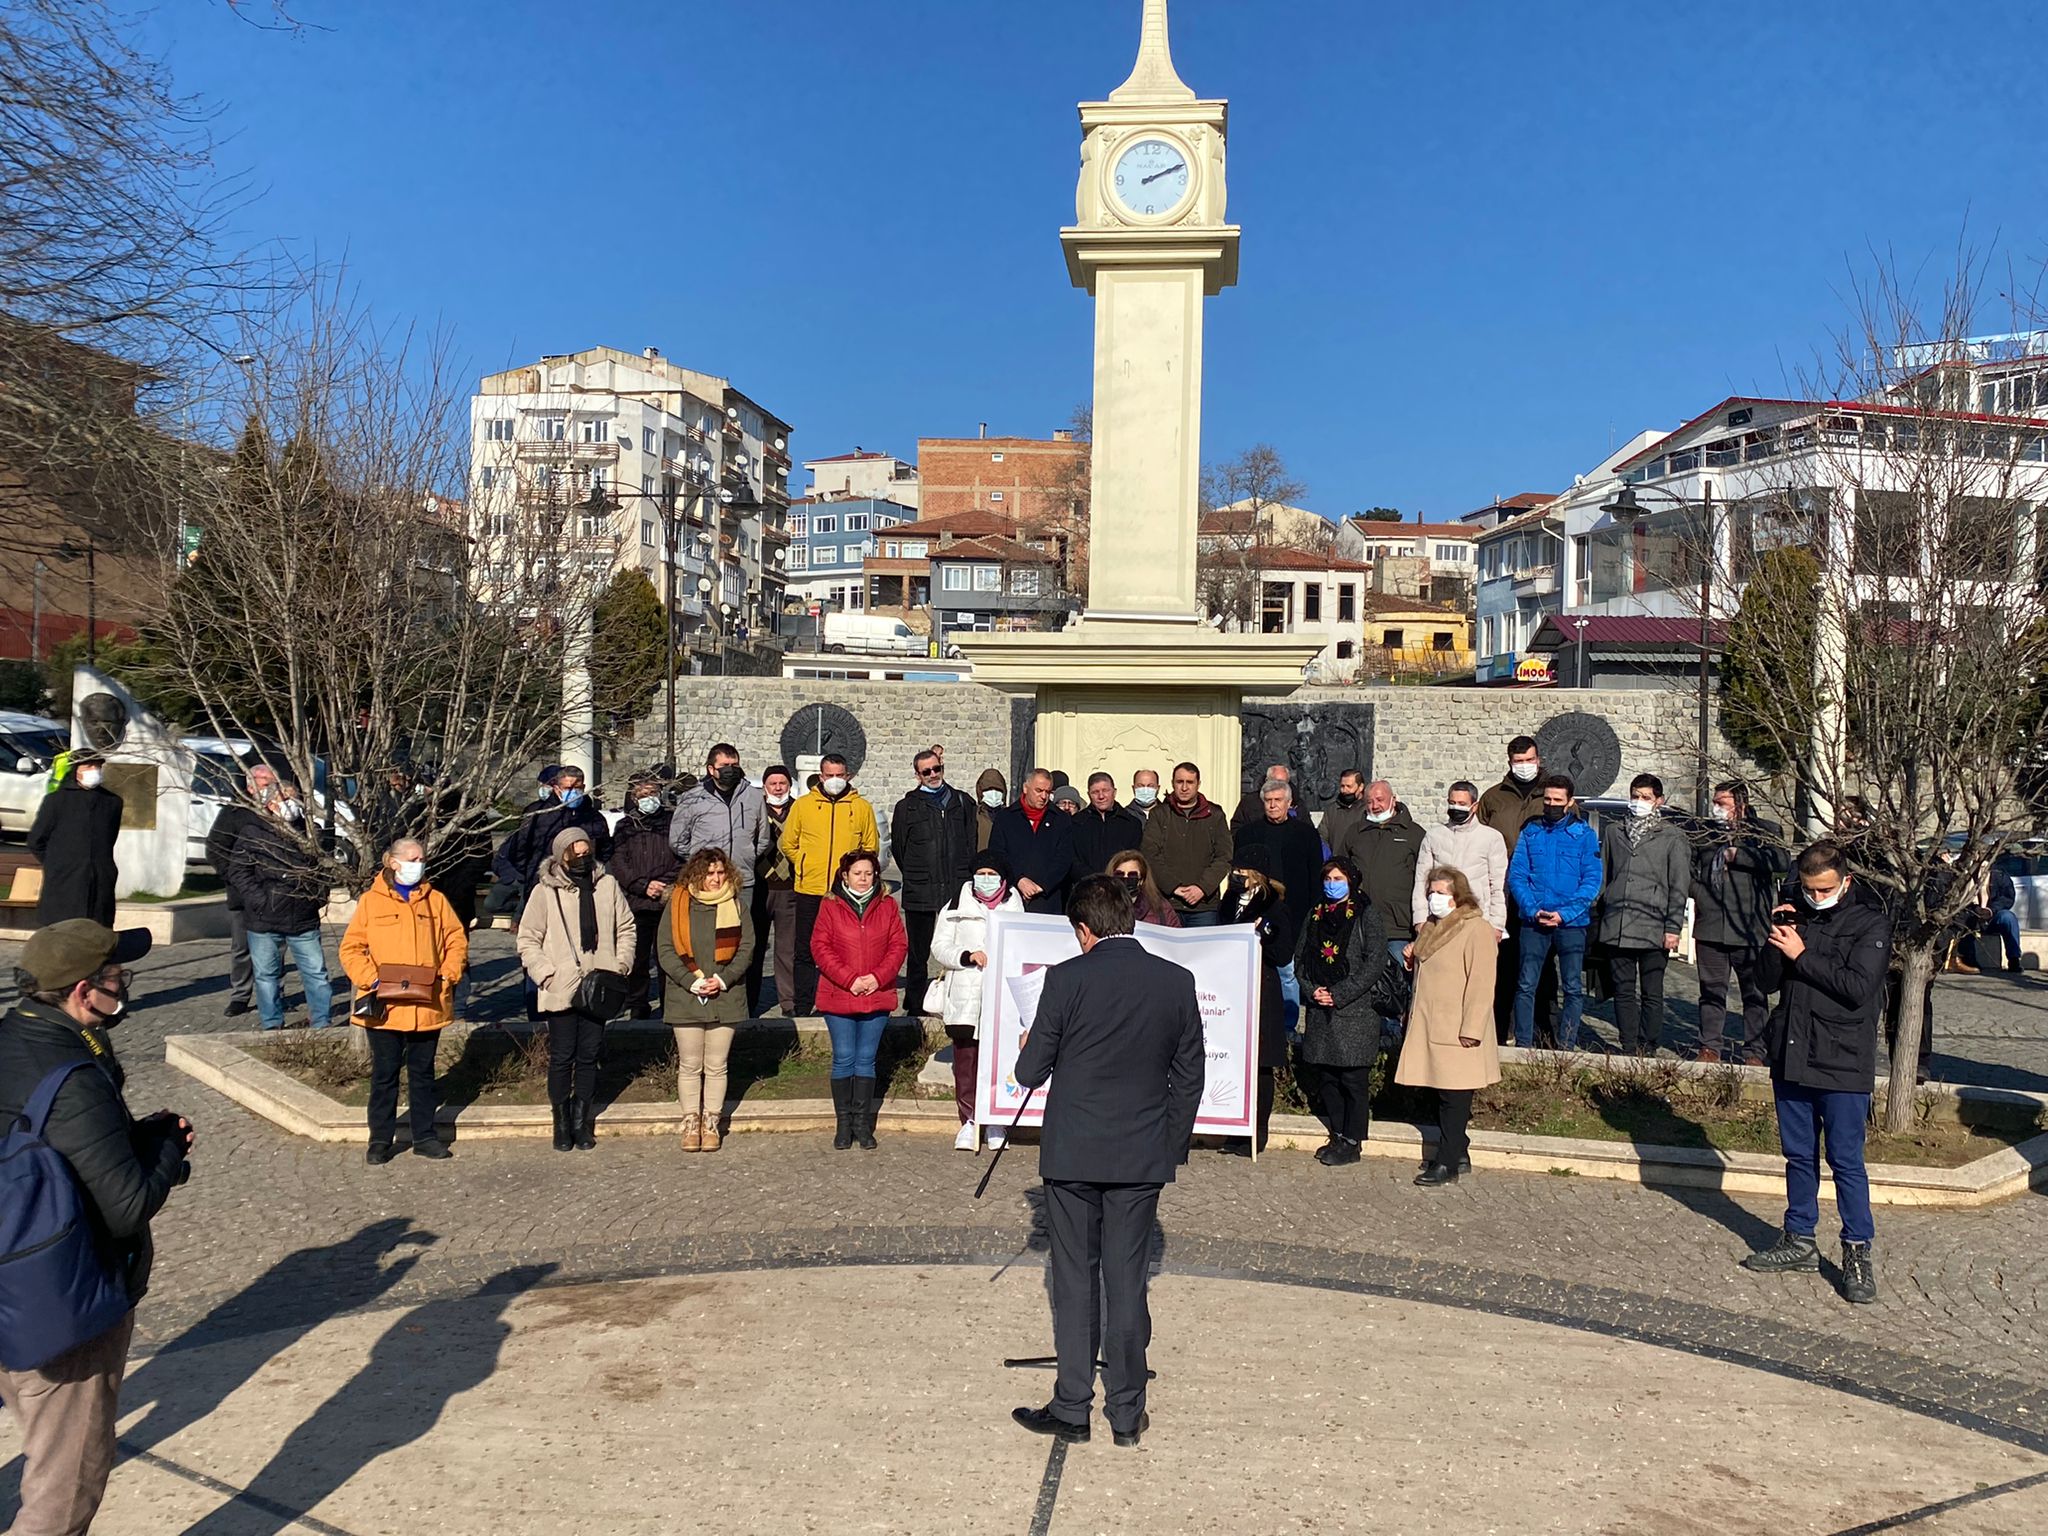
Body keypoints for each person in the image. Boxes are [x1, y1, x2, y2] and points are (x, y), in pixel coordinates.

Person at [0, 920, 192, 1536]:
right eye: (119, 976)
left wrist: (128, 1139)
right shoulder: (75, 1077)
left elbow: (41, 1145)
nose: (124, 985)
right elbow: (126, 1207)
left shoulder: (13, 1036)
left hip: (7, 1270)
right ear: (86, 991)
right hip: (64, 1300)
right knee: (65, 1484)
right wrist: (165, 1147)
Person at [1011, 875, 1204, 1449]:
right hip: (1141, 1153)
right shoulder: (1175, 980)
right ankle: (1126, 1414)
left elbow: (1029, 1072)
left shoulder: (1066, 978)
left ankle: (1073, 1406)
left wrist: (1028, 1047)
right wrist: (1167, 1145)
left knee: (1074, 1280)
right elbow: (1190, 1074)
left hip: (1072, 1150)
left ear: (1083, 929)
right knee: (1127, 1281)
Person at [1740, 842, 1890, 1305]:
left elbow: (1857, 988)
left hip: (1843, 1057)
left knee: (1846, 1161)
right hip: (1792, 1053)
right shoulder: (1795, 913)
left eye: (1824, 889)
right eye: (1808, 889)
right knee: (1797, 1155)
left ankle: (1857, 1251)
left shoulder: (1870, 922)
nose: (1815, 896)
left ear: (1844, 881)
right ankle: (1798, 1237)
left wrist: (1802, 954)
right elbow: (1765, 982)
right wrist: (1778, 932)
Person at [338, 837, 467, 1164]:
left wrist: (448, 974)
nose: (419, 863)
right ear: (393, 863)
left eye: (422, 858)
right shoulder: (371, 902)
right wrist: (373, 979)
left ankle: (425, 1136)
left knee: (423, 1073)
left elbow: (456, 940)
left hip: (426, 1004)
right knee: (384, 1074)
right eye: (413, 858)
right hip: (384, 1006)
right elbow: (351, 949)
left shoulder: (435, 900)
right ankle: (380, 1140)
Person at [517, 826, 635, 1152]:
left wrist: (620, 964)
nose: (582, 859)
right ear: (562, 856)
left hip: (600, 985)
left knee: (588, 1056)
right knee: (562, 1057)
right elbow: (528, 938)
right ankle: (561, 1121)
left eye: (586, 853)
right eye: (575, 854)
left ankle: (582, 1122)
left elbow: (626, 927)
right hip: (561, 986)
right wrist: (547, 975)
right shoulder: (545, 890)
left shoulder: (607, 885)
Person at [1398, 866, 1501, 1187]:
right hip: (1432, 1025)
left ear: (1458, 896)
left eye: (1442, 892)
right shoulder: (1431, 928)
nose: (1434, 898)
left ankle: (1447, 1163)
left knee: (1454, 1099)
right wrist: (1412, 958)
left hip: (1459, 1028)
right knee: (1440, 1095)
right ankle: (1458, 1151)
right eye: (1431, 892)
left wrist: (1472, 1028)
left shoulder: (1476, 929)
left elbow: (1482, 983)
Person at [658, 848, 756, 1154]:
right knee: (689, 1064)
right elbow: (665, 949)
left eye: (720, 872)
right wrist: (692, 981)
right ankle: (690, 1122)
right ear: (696, 875)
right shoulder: (677, 904)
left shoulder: (737, 906)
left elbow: (747, 947)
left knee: (716, 1064)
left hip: (725, 994)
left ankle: (711, 1120)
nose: (715, 879)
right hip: (685, 994)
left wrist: (723, 979)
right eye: (709, 873)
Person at [1296, 856, 1393, 1166]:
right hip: (1321, 1011)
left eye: (1338, 879)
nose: (1332, 885)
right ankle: (1337, 1134)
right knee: (1328, 1078)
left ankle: (1352, 1141)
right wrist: (1313, 991)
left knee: (1353, 1080)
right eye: (1328, 879)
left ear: (1351, 881)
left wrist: (1339, 994)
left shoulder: (1368, 915)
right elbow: (1300, 959)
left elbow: (1373, 964)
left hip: (1355, 1012)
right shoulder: (1315, 914)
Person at [811, 848, 908, 1152]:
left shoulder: (888, 905)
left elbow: (898, 945)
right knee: (843, 1058)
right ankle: (844, 1124)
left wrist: (876, 978)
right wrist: (849, 979)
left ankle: (862, 1125)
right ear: (845, 876)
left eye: (869, 873)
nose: (864, 879)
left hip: (876, 992)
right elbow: (820, 946)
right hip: (840, 992)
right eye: (857, 873)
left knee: (866, 1059)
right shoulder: (829, 906)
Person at [931, 849, 1024, 1151]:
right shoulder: (955, 906)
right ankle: (969, 1120)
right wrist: (967, 956)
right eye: (980, 874)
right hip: (966, 996)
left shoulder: (1015, 906)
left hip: (1002, 996)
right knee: (967, 1060)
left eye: (991, 875)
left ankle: (995, 1119)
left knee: (998, 1060)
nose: (985, 880)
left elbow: (1024, 944)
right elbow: (939, 946)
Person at [1595, 773, 1692, 1057]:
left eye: (1646, 798)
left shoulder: (1673, 836)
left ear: (1658, 801)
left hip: (1653, 923)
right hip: (1619, 923)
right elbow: (1605, 873)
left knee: (1652, 991)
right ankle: (1628, 1043)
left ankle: (1648, 1044)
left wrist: (1673, 927)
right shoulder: (1615, 831)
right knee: (1623, 990)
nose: (1639, 802)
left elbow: (1679, 885)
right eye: (1635, 796)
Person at [225, 780, 333, 1032]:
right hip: (264, 919)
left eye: (295, 799)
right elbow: (238, 871)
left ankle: (322, 1022)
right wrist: (260, 900)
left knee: (316, 974)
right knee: (266, 976)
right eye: (286, 800)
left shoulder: (310, 833)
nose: (292, 805)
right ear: (271, 803)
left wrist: (316, 898)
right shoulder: (253, 833)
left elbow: (324, 870)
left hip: (303, 917)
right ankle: (272, 1024)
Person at [1503, 774, 1601, 1051]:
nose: (1551, 804)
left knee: (1572, 988)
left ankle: (1566, 1044)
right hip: (1534, 922)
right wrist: (1533, 910)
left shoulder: (1585, 836)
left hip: (1571, 924)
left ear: (1570, 802)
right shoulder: (1530, 833)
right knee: (1526, 985)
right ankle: (1524, 1043)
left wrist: (1565, 914)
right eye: (1547, 800)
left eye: (1558, 800)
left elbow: (1592, 881)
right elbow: (1518, 876)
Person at [1690, 780, 1786, 1062]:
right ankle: (1709, 1046)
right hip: (1712, 925)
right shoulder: (1705, 832)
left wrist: (1739, 855)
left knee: (1754, 994)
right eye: (1715, 802)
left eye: (1723, 803)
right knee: (1711, 991)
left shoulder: (1765, 831)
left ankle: (1755, 1049)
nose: (1716, 807)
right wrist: (1701, 895)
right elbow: (1690, 870)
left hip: (1749, 927)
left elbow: (1780, 861)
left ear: (1740, 805)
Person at [782, 753, 880, 1015]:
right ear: (821, 776)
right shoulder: (803, 806)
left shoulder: (861, 808)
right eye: (830, 775)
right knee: (804, 951)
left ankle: (839, 1003)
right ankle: (802, 1005)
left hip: (843, 895)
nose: (835, 780)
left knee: (842, 952)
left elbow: (870, 847)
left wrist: (854, 877)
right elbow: (788, 843)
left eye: (840, 775)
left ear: (847, 775)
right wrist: (803, 862)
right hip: (809, 890)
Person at [1216, 846, 1296, 1153]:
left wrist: (1265, 931)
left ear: (1256, 876)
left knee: (1260, 1063)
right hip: (1234, 986)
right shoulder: (1229, 902)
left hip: (1261, 988)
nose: (1236, 877)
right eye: (1234, 871)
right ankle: (1235, 1127)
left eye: (1242, 872)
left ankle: (1256, 1131)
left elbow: (1282, 953)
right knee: (1236, 1061)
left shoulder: (1275, 906)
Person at [891, 747, 976, 1014]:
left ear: (942, 767)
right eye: (925, 771)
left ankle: (957, 1005)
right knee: (918, 955)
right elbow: (899, 849)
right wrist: (919, 873)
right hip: (921, 890)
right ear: (917, 775)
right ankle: (915, 1006)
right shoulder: (906, 807)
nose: (932, 775)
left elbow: (971, 843)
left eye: (936, 769)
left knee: (957, 950)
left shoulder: (962, 802)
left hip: (955, 889)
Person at [1233, 776, 1321, 1034]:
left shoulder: (1305, 834)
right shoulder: (1249, 833)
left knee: (1287, 971)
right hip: (1255, 909)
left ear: (1289, 803)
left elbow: (1314, 874)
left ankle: (1288, 1026)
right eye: (1268, 801)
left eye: (1278, 801)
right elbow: (1239, 873)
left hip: (1294, 911)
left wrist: (1313, 911)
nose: (1272, 805)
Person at [1337, 779, 1424, 1039]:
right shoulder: (1355, 832)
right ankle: (1370, 1032)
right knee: (1364, 981)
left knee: (1402, 981)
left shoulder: (1414, 834)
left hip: (1398, 925)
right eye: (1370, 801)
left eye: (1380, 800)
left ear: (1393, 800)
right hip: (1360, 925)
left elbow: (1425, 876)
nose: (1375, 806)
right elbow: (1340, 868)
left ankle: (1404, 1033)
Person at [1478, 735, 1548, 1042]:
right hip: (1502, 893)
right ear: (1510, 762)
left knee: (1542, 970)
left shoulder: (1552, 795)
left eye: (1529, 760)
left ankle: (1544, 1034)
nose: (1524, 766)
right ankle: (1497, 1030)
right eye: (1518, 762)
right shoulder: (1494, 797)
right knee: (1503, 967)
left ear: (1538, 760)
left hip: (1540, 894)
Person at [203, 761, 276, 1018]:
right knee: (242, 949)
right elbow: (215, 848)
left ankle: (272, 998)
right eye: (266, 783)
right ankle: (240, 995)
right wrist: (234, 878)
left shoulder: (282, 811)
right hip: (243, 894)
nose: (271, 788)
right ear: (251, 785)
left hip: (276, 894)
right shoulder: (234, 813)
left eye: (273, 783)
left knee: (274, 950)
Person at [609, 770, 680, 1019]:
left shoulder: (672, 822)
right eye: (643, 794)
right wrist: (642, 885)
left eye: (653, 793)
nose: (649, 797)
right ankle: (637, 1003)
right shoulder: (625, 826)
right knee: (637, 958)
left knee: (667, 958)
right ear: (634, 796)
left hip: (667, 899)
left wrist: (663, 883)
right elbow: (619, 863)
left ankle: (669, 1003)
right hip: (636, 901)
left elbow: (682, 856)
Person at [27, 751, 122, 928]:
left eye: (97, 766)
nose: (94, 770)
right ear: (76, 770)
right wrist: (57, 862)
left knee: (97, 928)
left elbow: (110, 837)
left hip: (99, 876)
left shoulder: (112, 802)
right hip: (65, 879)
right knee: (63, 929)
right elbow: (36, 840)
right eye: (88, 766)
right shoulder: (57, 800)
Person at [493, 765, 611, 897]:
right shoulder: (536, 814)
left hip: (581, 886)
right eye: (568, 788)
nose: (573, 792)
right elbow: (518, 849)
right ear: (557, 788)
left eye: (577, 788)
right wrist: (535, 873)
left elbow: (604, 850)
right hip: (541, 885)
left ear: (583, 787)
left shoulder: (594, 818)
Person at [1140, 761, 1233, 926]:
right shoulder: (1159, 814)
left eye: (1189, 782)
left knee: (1202, 951)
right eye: (1179, 782)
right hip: (1167, 902)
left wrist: (1202, 888)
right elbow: (1150, 854)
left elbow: (1224, 856)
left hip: (1204, 906)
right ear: (1172, 783)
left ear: (1198, 784)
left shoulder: (1215, 815)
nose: (1184, 787)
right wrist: (1174, 887)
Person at [1410, 780, 1507, 938]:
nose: (1456, 808)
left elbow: (1497, 886)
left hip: (1478, 918)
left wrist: (1497, 924)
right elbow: (1421, 880)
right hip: (1439, 919)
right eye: (1452, 803)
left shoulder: (1491, 838)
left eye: (1462, 803)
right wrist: (1420, 920)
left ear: (1474, 806)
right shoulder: (1434, 836)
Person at [668, 743, 770, 891]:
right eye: (725, 765)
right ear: (711, 769)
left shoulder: (754, 796)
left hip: (742, 880)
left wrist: (747, 856)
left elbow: (763, 837)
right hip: (705, 880)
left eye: (734, 765)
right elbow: (677, 841)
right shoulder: (692, 798)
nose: (731, 770)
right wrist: (699, 860)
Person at [987, 768, 1079, 916]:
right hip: (1012, 896)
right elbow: (998, 854)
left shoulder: (1061, 819)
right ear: (1025, 788)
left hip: (1048, 899)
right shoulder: (1006, 818)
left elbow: (1064, 858)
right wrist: (1019, 879)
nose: (1043, 796)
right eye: (1039, 790)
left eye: (1048, 792)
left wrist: (1042, 885)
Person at [747, 764, 799, 1016]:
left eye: (782, 783)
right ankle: (749, 1002)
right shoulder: (754, 810)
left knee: (787, 949)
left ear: (789, 785)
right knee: (753, 947)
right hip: (759, 887)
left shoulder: (799, 809)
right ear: (765, 786)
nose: (778, 788)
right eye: (773, 783)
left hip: (790, 888)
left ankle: (789, 1002)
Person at [1069, 771, 1146, 881]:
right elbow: (1072, 859)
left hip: (1120, 887)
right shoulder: (1076, 823)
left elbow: (1134, 859)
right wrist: (1094, 879)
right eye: (1095, 792)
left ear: (1114, 792)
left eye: (1105, 791)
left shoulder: (1131, 824)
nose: (1101, 796)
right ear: (1088, 795)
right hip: (1085, 887)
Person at [1108, 851, 1181, 927]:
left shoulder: (1160, 906)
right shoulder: (1100, 906)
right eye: (1119, 874)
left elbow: (1175, 932)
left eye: (1132, 875)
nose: (1126, 878)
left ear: (1141, 879)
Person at [1987, 854, 2025, 975]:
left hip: (1992, 916)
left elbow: (2008, 898)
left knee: (2008, 917)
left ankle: (2014, 959)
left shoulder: (1999, 874)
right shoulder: (1965, 874)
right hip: (1969, 915)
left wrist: (1992, 910)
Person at [1317, 768, 1370, 858]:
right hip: (1335, 863)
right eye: (1342, 786)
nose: (1344, 790)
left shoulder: (1368, 810)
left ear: (1360, 787)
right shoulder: (1332, 810)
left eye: (1349, 786)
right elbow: (1322, 837)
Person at [1230, 763, 1292, 830]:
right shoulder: (1249, 802)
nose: (1272, 805)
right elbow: (1236, 827)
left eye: (1283, 782)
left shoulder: (1298, 802)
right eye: (1275, 782)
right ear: (1267, 780)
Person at [974, 767, 1008, 851]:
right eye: (988, 789)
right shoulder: (974, 816)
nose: (993, 794)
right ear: (981, 791)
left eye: (998, 790)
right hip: (980, 862)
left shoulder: (1010, 817)